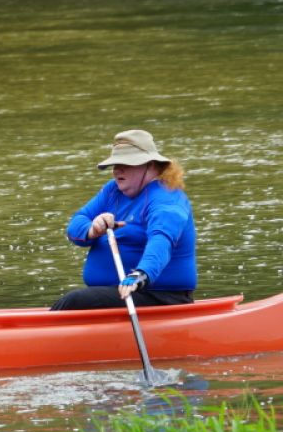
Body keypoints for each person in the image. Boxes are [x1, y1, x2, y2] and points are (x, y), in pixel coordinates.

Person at [51, 129, 196, 311]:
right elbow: (77, 223)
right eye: (115, 164)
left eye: (126, 163)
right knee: (78, 299)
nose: (117, 170)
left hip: (160, 298)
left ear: (150, 165)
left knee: (75, 300)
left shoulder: (167, 198)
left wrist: (140, 275)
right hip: (119, 296)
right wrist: (93, 229)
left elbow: (161, 240)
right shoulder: (113, 191)